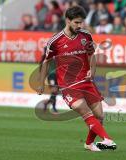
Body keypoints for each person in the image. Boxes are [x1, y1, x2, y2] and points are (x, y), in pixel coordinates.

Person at [37, 5, 116, 151]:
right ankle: (107, 139)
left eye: (81, 22)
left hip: (86, 82)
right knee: (85, 111)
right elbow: (46, 62)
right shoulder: (55, 41)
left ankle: (88, 144)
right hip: (68, 85)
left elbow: (91, 54)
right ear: (68, 20)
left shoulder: (86, 36)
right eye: (76, 23)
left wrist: (92, 70)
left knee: (99, 116)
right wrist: (41, 83)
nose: (80, 26)